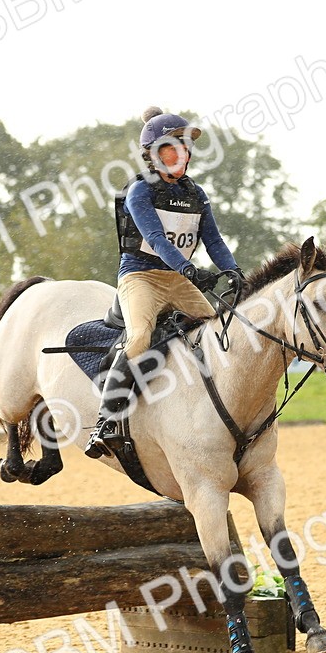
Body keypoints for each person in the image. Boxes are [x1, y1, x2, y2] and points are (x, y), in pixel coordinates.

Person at [85, 106, 245, 459]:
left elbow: (214, 241)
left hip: (176, 278)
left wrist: (233, 270)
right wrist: (189, 269)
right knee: (140, 335)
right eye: (173, 147)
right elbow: (156, 239)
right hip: (140, 276)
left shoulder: (196, 194)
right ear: (154, 155)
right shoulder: (140, 192)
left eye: (185, 147)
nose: (182, 154)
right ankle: (106, 422)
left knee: (215, 333)